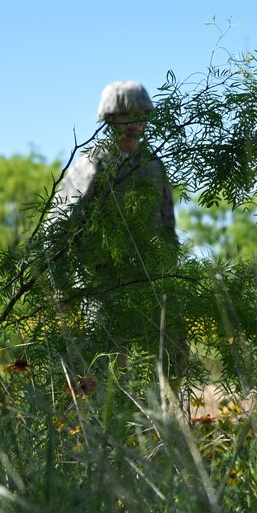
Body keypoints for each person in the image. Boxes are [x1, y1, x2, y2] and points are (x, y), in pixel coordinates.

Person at [46, 81, 185, 368]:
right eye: (125, 115)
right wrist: (60, 284)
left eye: (140, 114)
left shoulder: (152, 164)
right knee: (107, 361)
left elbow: (166, 226)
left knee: (174, 352)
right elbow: (58, 223)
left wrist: (168, 273)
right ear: (109, 119)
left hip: (146, 277)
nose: (134, 122)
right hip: (100, 280)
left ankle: (164, 412)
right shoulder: (93, 162)